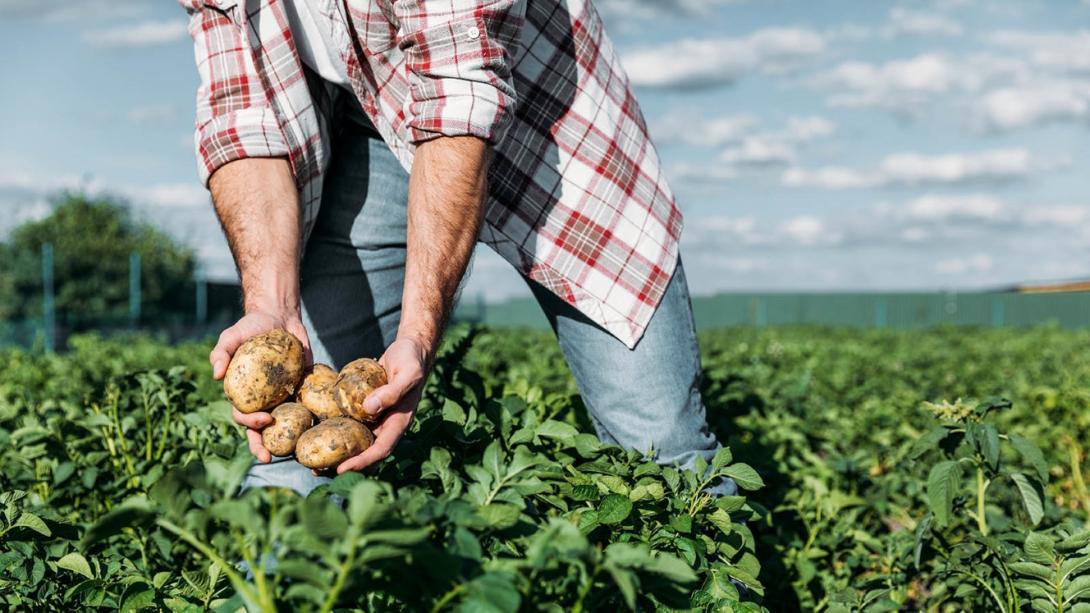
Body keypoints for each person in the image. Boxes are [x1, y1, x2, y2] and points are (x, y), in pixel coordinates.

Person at [179, 0, 734, 496]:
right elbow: (242, 117)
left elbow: (458, 94)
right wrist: (270, 307)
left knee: (664, 453)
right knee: (289, 456)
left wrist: (418, 337)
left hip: (551, 122)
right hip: (362, 123)